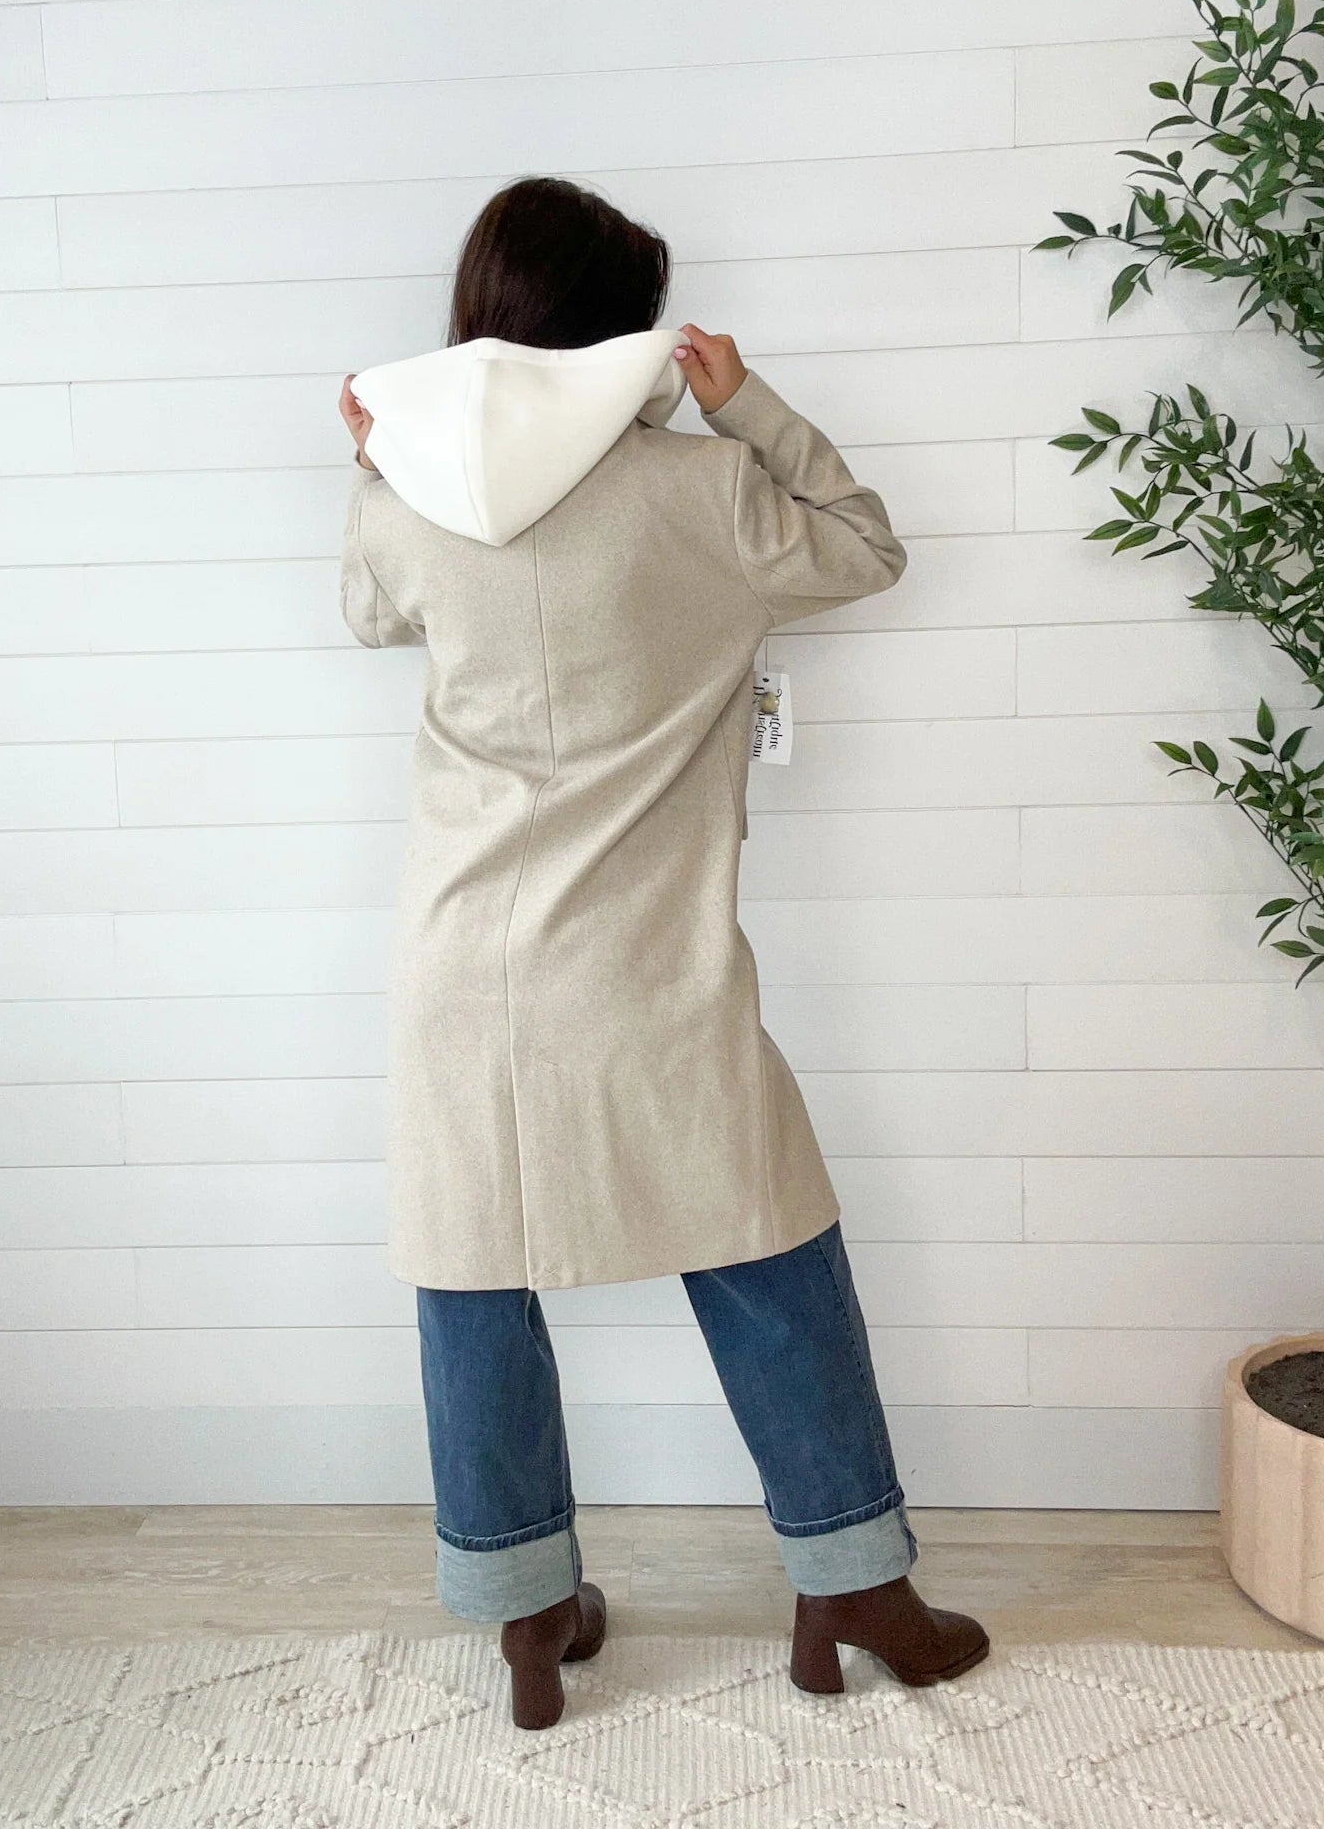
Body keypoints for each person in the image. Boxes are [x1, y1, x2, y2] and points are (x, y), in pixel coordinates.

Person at [338, 175, 988, 1730]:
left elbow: (369, 615)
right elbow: (869, 546)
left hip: (464, 970)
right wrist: (742, 401)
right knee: (768, 1248)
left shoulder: (404, 504)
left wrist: (380, 454)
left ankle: (524, 1615)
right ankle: (854, 1583)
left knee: (474, 1277)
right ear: (623, 337)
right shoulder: (708, 496)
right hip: (651, 970)